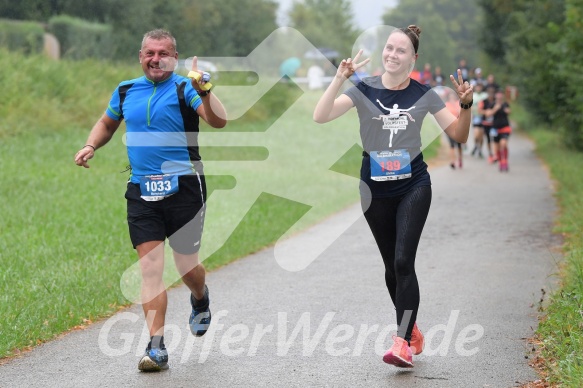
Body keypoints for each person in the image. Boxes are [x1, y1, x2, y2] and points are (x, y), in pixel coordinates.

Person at [313, 25, 473, 368]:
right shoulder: (363, 88)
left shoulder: (424, 93)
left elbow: (459, 135)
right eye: (389, 48)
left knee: (404, 261)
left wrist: (466, 104)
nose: (392, 55)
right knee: (391, 266)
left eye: (401, 50)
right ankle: (412, 329)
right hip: (374, 189)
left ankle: (400, 342)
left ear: (413, 58)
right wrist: (339, 78)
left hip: (413, 184)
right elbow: (321, 116)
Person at [74, 29, 227, 372]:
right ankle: (156, 346)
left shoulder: (184, 87)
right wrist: (90, 145)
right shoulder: (126, 89)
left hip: (185, 185)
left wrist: (206, 89)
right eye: (150, 53)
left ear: (175, 58)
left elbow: (218, 120)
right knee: (151, 267)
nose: (156, 59)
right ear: (140, 56)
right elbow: (107, 122)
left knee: (187, 265)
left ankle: (200, 300)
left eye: (164, 53)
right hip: (141, 189)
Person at [485, 91, 512, 171]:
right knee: (496, 147)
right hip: (495, 128)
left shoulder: (505, 104)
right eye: (498, 95)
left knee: (503, 143)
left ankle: (505, 160)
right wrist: (495, 109)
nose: (499, 96)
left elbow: (509, 111)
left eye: (501, 95)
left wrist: (507, 110)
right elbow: (487, 114)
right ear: (496, 96)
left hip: (505, 127)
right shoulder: (492, 104)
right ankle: (501, 162)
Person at [445, 91, 463, 169]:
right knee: (451, 145)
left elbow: (461, 113)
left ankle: (460, 159)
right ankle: (453, 161)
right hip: (449, 127)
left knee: (458, 145)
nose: (451, 98)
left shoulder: (458, 103)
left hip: (458, 126)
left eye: (453, 96)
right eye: (450, 97)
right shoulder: (446, 104)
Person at [480, 85, 497, 163]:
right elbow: (479, 110)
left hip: (494, 123)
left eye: (492, 93)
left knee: (495, 139)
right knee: (489, 139)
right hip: (486, 123)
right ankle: (490, 154)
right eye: (489, 93)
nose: (491, 94)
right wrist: (486, 112)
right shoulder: (484, 101)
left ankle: (496, 154)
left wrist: (492, 112)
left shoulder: (496, 101)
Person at [470, 82, 488, 158]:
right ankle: (476, 145)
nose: (478, 88)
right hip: (476, 117)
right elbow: (470, 106)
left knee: (481, 136)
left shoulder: (485, 96)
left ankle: (480, 149)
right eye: (477, 87)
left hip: (483, 117)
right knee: (476, 135)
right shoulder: (473, 96)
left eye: (480, 87)